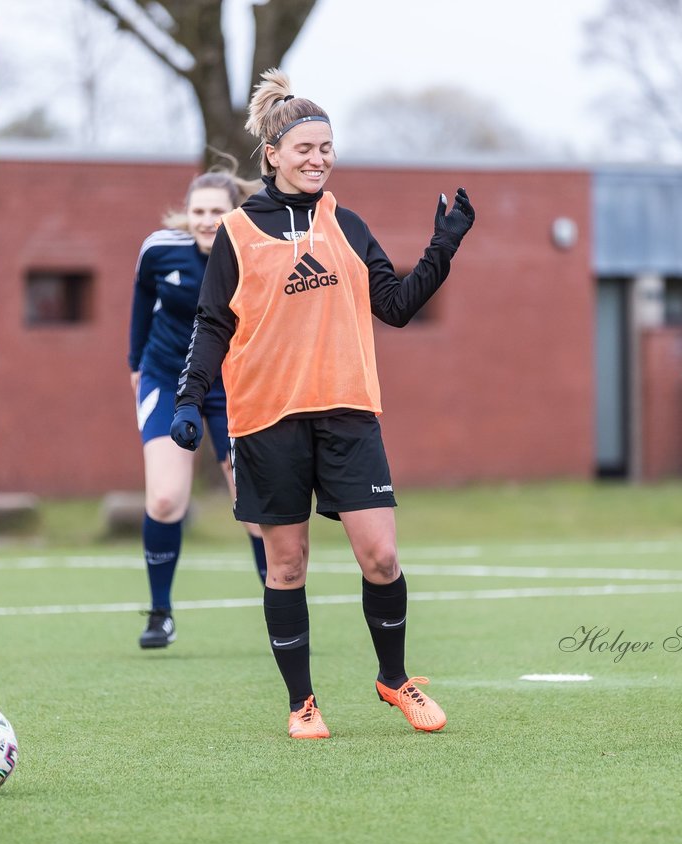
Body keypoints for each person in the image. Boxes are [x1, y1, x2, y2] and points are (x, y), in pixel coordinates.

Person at [169, 69, 474, 739]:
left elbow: (394, 306)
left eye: (327, 148)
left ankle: (394, 680)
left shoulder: (347, 223)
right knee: (287, 565)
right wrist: (190, 401)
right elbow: (212, 325)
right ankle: (302, 703)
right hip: (266, 421)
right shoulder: (238, 232)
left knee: (382, 557)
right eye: (305, 149)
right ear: (273, 154)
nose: (318, 159)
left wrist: (444, 245)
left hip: (347, 413)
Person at [128, 163, 266, 649]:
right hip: (168, 379)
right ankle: (160, 613)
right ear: (187, 214)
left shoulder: (255, 254)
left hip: (233, 385)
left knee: (253, 508)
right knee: (165, 499)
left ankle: (279, 610)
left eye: (218, 211)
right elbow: (142, 304)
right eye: (199, 211)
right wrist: (135, 370)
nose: (208, 220)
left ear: (235, 213)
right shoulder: (160, 249)